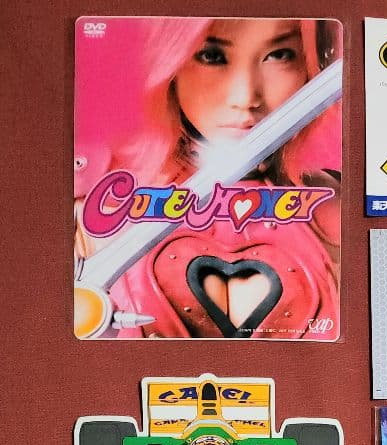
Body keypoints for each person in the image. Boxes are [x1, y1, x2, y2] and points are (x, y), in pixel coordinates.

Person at [74, 17, 341, 339]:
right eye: (212, 56)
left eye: (279, 55)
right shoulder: (99, 213)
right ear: (168, 63)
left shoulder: (337, 211)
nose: (245, 97)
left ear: (313, 63)